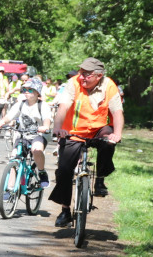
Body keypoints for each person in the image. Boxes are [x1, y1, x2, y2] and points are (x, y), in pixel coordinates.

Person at [49, 57, 124, 226]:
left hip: (98, 129)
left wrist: (117, 134)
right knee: (64, 170)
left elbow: (117, 112)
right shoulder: (73, 83)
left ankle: (100, 180)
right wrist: (58, 128)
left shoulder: (109, 85)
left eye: (87, 74)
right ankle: (65, 210)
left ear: (98, 76)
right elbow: (64, 106)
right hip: (73, 131)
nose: (81, 76)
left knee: (108, 141)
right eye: (81, 72)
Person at [0, 77, 52, 188]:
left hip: (38, 135)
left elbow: (47, 119)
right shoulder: (21, 104)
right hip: (23, 135)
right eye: (24, 90)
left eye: (30, 90)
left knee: (36, 149)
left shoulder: (42, 105)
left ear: (37, 92)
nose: (26, 92)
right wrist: (1, 122)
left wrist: (45, 126)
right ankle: (10, 189)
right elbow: (9, 116)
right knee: (14, 158)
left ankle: (42, 171)